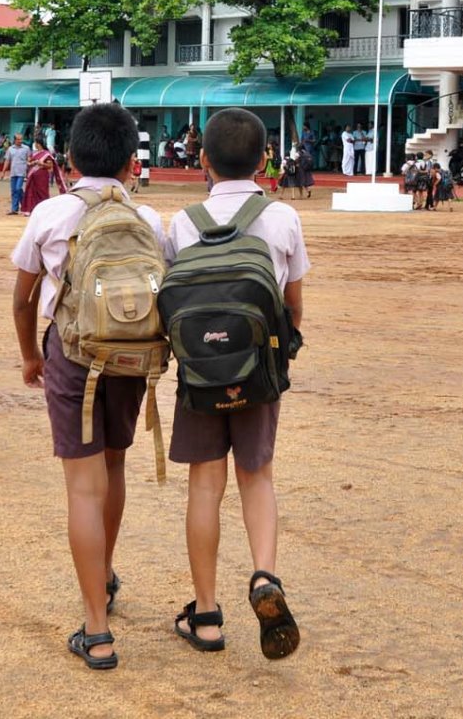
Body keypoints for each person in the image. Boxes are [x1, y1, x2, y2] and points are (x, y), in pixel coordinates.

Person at [9, 102, 166, 672]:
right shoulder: (149, 220)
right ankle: (103, 576)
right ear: (132, 162)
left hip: (74, 357)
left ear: (70, 158)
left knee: (82, 487)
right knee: (115, 467)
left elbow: (23, 299)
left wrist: (31, 357)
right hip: (130, 359)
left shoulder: (51, 213)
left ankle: (96, 630)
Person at [167, 107, 306, 661]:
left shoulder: (182, 222)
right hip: (258, 372)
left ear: (202, 160)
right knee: (257, 476)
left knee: (206, 484)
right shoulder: (282, 218)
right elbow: (293, 306)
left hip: (200, 376)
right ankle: (263, 577)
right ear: (266, 158)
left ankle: (205, 614)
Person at [22, 137, 67, 213]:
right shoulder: (35, 153)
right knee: (32, 192)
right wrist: (30, 163)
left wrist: (41, 163)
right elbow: (29, 162)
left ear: (38, 144)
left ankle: (44, 209)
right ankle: (31, 209)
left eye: (35, 143)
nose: (35, 145)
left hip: (42, 176)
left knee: (42, 192)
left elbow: (50, 166)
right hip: (33, 176)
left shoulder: (46, 154)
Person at [6, 133, 31, 214]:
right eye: (18, 139)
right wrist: (3, 171)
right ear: (15, 140)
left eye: (21, 139)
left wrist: (29, 171)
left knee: (18, 188)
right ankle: (16, 208)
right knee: (14, 190)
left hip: (22, 172)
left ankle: (20, 206)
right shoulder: (10, 149)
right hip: (13, 172)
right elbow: (7, 160)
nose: (20, 141)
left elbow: (29, 159)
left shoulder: (26, 148)